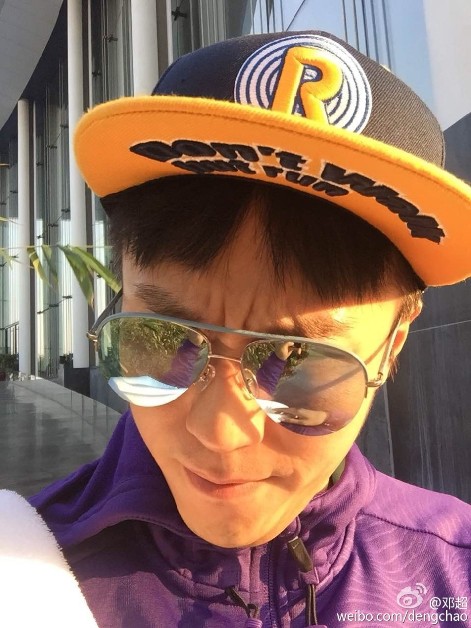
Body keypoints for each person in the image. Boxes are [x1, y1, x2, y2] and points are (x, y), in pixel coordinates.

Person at [30, 30, 471, 627]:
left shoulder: (454, 572)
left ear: (392, 344)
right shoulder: (24, 573)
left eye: (298, 363)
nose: (220, 433)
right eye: (161, 338)